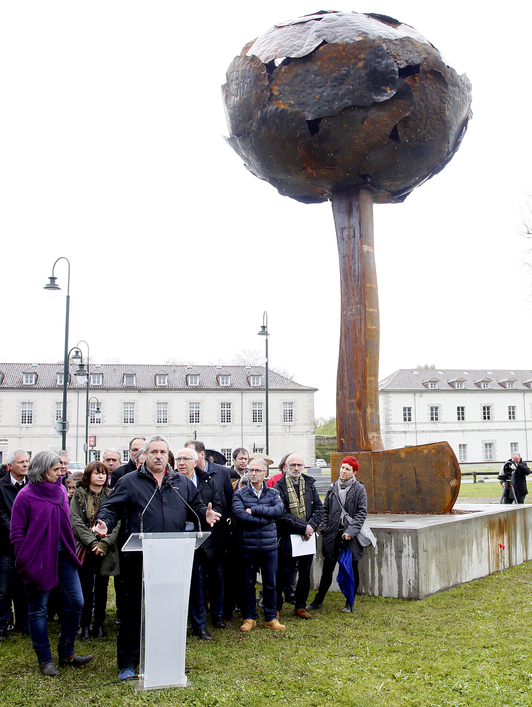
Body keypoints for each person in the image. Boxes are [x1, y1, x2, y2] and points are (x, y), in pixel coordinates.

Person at [93, 435, 220, 681]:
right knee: (132, 612)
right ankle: (128, 663)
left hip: (171, 557)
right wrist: (103, 522)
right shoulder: (130, 482)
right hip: (137, 558)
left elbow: (196, 506)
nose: (159, 456)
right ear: (145, 456)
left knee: (167, 610)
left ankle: (164, 657)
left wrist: (206, 514)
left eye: (163, 452)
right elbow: (111, 507)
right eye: (154, 452)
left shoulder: (180, 482)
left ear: (168, 456)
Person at [10, 451, 93, 677]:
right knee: (38, 610)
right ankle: (45, 660)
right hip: (37, 560)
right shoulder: (25, 496)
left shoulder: (60, 490)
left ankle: (67, 653)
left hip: (63, 557)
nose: (61, 472)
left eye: (61, 468)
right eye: (56, 469)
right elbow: (17, 532)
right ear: (41, 470)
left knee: (77, 602)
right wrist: (23, 558)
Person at [307, 456, 367, 614]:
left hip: (350, 537)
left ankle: (350, 602)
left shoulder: (359, 489)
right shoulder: (332, 487)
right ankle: (318, 601)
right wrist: (325, 527)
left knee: (351, 570)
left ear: (354, 472)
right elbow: (325, 509)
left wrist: (350, 532)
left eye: (348, 469)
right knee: (327, 569)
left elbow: (361, 513)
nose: (343, 471)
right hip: (332, 535)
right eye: (342, 467)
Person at [232, 457, 285, 631]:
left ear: (265, 473)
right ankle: (249, 617)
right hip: (247, 545)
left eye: (257, 471)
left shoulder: (273, 493)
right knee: (248, 583)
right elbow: (239, 515)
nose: (253, 474)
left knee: (271, 583)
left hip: (269, 546)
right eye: (250, 470)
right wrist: (266, 520)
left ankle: (271, 616)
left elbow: (278, 511)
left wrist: (255, 510)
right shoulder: (240, 493)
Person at [175, 448, 223, 640]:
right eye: (178, 459)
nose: (181, 462)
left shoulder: (206, 480)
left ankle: (199, 624)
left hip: (201, 540)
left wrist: (203, 518)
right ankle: (177, 621)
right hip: (175, 538)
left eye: (185, 459)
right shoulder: (171, 481)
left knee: (198, 582)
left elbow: (216, 506)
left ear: (196, 461)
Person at [70, 461, 120, 640]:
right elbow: (75, 521)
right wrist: (92, 543)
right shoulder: (79, 495)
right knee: (84, 587)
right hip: (85, 548)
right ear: (88, 475)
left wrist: (104, 543)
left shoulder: (112, 495)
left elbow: (117, 521)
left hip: (105, 548)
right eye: (97, 473)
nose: (101, 476)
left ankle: (99, 624)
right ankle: (84, 625)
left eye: (104, 473)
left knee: (102, 587)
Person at [185, 440, 233, 627]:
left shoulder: (220, 473)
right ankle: (196, 616)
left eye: (190, 456)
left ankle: (218, 614)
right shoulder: (180, 477)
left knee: (217, 575)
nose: (186, 461)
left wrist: (219, 523)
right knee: (195, 577)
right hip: (190, 536)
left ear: (201, 455)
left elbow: (226, 501)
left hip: (214, 534)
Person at [276, 453, 323, 620]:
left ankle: (300, 606)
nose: (296, 468)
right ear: (286, 467)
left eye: (299, 465)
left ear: (304, 467)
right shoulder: (279, 487)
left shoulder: (309, 484)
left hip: (306, 538)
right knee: (282, 574)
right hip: (289, 537)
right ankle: (276, 607)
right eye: (293, 465)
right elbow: (281, 515)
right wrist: (305, 528)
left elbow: (319, 508)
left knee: (304, 574)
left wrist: (310, 527)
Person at [0, 449, 30, 640]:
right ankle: (2, 625)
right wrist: (17, 533)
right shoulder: (1, 487)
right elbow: (1, 515)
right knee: (3, 589)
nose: (25, 465)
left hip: (28, 546)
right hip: (6, 546)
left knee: (24, 586)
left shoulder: (32, 487)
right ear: (10, 466)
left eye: (27, 461)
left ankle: (24, 623)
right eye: (21, 462)